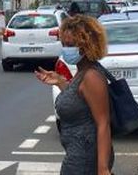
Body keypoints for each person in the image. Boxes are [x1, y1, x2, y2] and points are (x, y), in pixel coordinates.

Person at [35, 15, 114, 175]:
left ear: (86, 45)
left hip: (86, 159)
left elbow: (103, 123)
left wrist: (103, 169)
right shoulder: (82, 71)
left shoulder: (92, 76)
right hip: (78, 155)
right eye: (64, 44)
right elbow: (80, 101)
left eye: (71, 45)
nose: (66, 49)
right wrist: (61, 82)